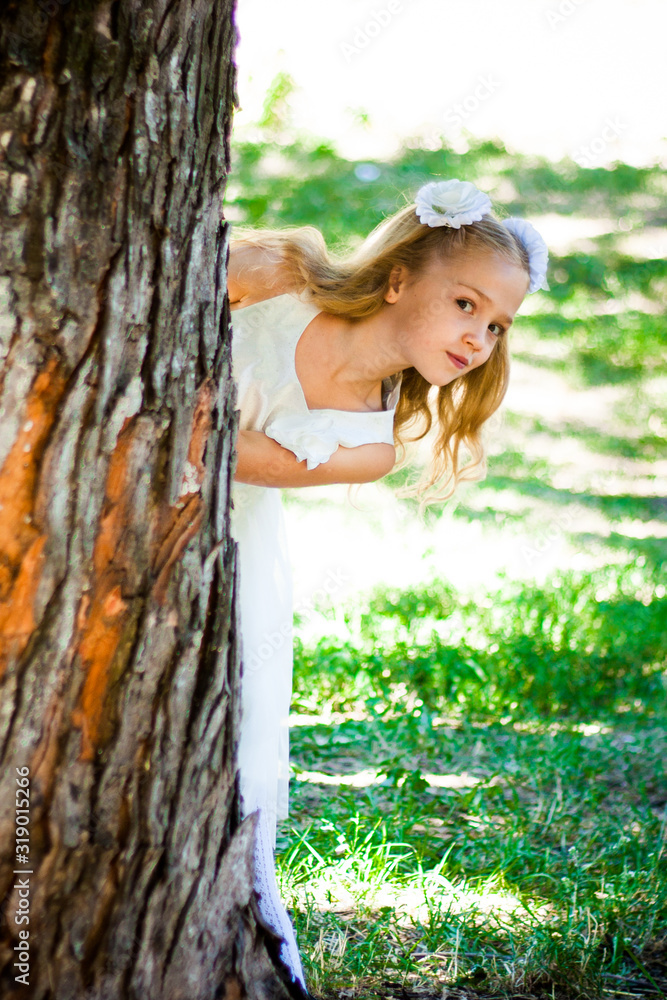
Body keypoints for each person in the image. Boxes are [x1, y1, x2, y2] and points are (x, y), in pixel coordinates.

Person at [226, 178, 549, 990]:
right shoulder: (281, 272)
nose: (479, 338)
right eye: (465, 304)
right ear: (400, 278)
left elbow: (215, 450)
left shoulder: (369, 444)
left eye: (497, 325)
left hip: (222, 547)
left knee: (239, 737)